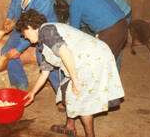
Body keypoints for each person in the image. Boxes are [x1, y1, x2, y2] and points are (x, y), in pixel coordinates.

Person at [18, 9, 125, 137]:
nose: (24, 37)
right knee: (65, 88)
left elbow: (64, 53)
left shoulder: (46, 31)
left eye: (24, 33)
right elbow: (45, 72)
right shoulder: (43, 41)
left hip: (91, 59)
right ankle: (69, 126)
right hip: (94, 55)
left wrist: (75, 81)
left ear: (29, 27)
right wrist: (32, 93)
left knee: (81, 100)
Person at [1, 0, 59, 91]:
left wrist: (20, 49)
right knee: (7, 51)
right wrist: (10, 17)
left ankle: (62, 93)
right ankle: (20, 85)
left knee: (46, 57)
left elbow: (35, 26)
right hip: (23, 22)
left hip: (42, 26)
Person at [66, 0, 128, 74]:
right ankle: (111, 83)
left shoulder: (76, 0)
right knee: (110, 61)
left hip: (110, 32)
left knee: (99, 63)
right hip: (123, 25)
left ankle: (102, 86)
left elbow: (74, 31)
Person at [87, 0, 132, 73]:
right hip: (115, 17)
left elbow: (113, 22)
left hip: (123, 16)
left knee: (116, 45)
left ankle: (115, 73)